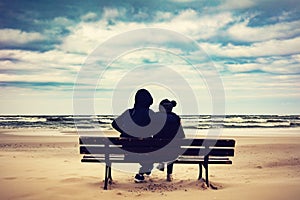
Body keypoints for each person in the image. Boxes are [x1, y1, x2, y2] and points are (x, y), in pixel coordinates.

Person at [111, 89, 155, 183]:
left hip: (128, 151)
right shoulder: (150, 113)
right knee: (153, 151)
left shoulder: (129, 112)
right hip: (145, 150)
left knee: (146, 152)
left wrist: (125, 131)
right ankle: (143, 171)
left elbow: (114, 124)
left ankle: (145, 170)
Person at [153, 99, 185, 182]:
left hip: (157, 150)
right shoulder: (176, 118)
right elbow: (182, 135)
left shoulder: (155, 116)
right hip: (172, 152)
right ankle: (169, 174)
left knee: (161, 147)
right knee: (172, 148)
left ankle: (161, 163)